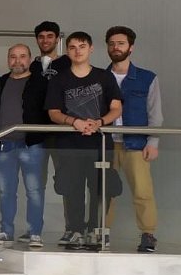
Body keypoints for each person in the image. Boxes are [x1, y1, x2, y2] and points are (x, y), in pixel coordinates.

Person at [45, 32, 123, 250]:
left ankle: (95, 231)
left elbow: (116, 108)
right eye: (72, 47)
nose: (77, 51)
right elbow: (53, 112)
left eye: (82, 46)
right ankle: (76, 230)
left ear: (91, 49)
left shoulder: (104, 77)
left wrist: (100, 122)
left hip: (100, 144)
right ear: (67, 51)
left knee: (100, 187)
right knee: (73, 188)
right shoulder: (59, 80)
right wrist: (75, 122)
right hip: (70, 144)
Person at [104, 26, 161, 253]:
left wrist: (153, 142)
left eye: (121, 43)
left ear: (131, 47)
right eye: (111, 43)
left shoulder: (147, 78)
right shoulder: (99, 76)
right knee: (104, 191)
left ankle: (148, 234)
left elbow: (155, 113)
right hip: (106, 143)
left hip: (136, 143)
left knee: (142, 191)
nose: (115, 47)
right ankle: (102, 232)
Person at [0, 44, 49, 247]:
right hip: (4, 145)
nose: (17, 61)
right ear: (8, 60)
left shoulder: (40, 83)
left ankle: (35, 233)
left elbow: (48, 112)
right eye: (13, 56)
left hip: (31, 145)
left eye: (22, 56)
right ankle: (6, 231)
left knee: (34, 191)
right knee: (6, 192)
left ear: (30, 59)